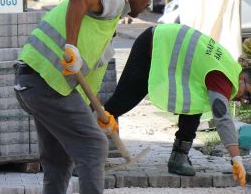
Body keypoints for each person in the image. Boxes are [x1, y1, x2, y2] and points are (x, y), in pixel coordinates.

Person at [14, 0, 165, 194]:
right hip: (46, 83)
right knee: (95, 147)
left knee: (58, 160)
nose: (149, 1)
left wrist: (98, 113)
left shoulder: (106, 25)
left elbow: (86, 79)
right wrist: (69, 46)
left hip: (33, 81)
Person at [104, 24, 248, 184]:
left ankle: (178, 157)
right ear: (243, 77)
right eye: (247, 94)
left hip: (164, 43)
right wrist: (236, 159)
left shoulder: (231, 67)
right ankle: (83, 152)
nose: (244, 100)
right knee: (121, 102)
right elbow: (222, 118)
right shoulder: (223, 78)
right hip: (154, 44)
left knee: (194, 105)